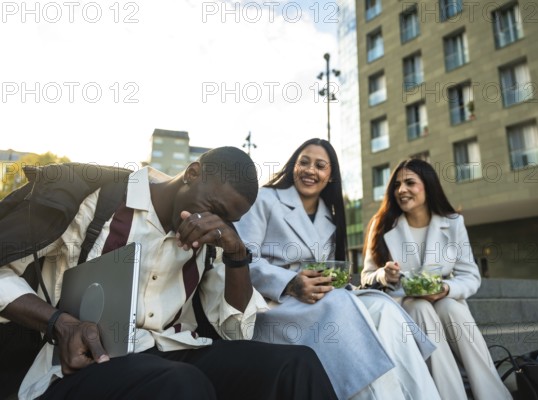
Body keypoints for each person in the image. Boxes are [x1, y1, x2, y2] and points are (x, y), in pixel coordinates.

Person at [0, 147, 338, 400]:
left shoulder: (213, 240)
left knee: (297, 364)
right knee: (181, 383)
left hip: (174, 349)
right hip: (86, 361)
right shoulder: (99, 201)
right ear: (192, 173)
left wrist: (237, 255)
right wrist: (61, 322)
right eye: (215, 209)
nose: (215, 223)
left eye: (228, 220)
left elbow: (236, 333)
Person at [235, 138, 441, 400]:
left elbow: (330, 270)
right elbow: (242, 257)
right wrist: (290, 282)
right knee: (343, 305)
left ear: (330, 176)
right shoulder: (265, 199)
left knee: (386, 309)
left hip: (320, 302)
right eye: (304, 162)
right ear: (293, 166)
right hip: (274, 305)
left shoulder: (329, 219)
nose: (311, 170)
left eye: (321, 166)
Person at [361, 158, 511, 400]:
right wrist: (384, 274)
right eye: (397, 185)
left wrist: (445, 289)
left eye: (410, 182)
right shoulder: (382, 224)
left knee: (451, 308)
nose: (402, 190)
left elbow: (470, 275)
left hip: (443, 299)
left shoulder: (452, 223)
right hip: (402, 303)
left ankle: (493, 394)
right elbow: (366, 276)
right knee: (418, 306)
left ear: (428, 186)